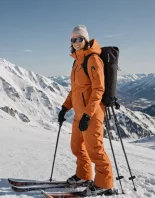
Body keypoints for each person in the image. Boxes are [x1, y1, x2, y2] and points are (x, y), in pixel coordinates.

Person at [58, 25, 114, 196]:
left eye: (79, 39)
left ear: (86, 39)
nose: (76, 42)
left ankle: (104, 183)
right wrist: (65, 107)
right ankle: (83, 175)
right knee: (76, 147)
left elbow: (99, 89)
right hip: (79, 114)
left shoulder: (92, 59)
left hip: (92, 114)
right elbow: (75, 89)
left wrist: (88, 114)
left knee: (95, 150)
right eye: (73, 39)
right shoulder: (77, 61)